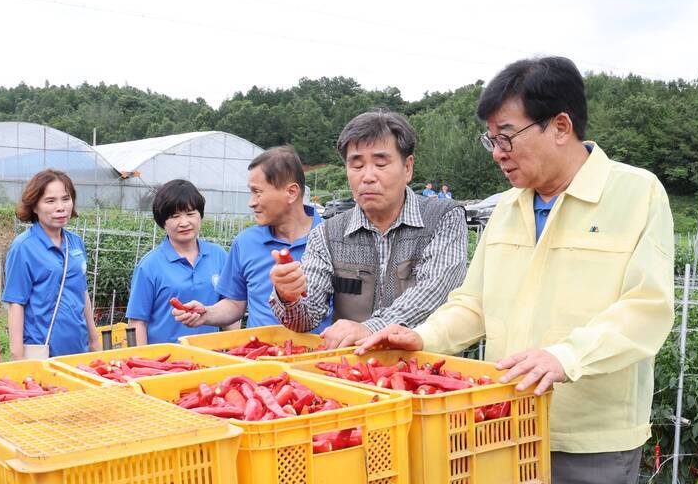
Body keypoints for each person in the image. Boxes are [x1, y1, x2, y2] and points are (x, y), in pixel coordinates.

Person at [356, 57, 674, 484]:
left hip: (586, 439)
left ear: (560, 127)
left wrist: (566, 356)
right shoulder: (506, 208)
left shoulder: (636, 194)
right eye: (491, 140)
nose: (498, 153)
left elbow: (648, 306)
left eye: (507, 137)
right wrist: (424, 337)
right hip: (504, 426)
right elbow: (472, 303)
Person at [269, 110, 468, 348]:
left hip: (426, 371)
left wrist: (370, 328)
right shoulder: (328, 233)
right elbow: (306, 317)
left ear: (408, 167)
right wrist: (289, 296)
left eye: (381, 163)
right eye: (357, 165)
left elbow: (433, 294)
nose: (368, 176)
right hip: (351, 373)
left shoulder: (444, 217)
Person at [172, 145, 329, 333]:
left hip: (319, 358)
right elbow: (235, 303)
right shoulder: (246, 243)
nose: (251, 202)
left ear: (291, 192)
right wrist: (206, 314)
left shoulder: (332, 238)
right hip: (261, 357)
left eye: (258, 192)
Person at [3, 168, 99, 358]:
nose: (61, 207)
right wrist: (18, 357)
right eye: (50, 201)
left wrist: (94, 341)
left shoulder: (75, 243)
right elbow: (16, 304)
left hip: (78, 348)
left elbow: (82, 292)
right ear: (34, 206)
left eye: (66, 198)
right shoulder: (24, 247)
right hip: (42, 350)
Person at [126, 179, 236, 344]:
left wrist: (235, 350)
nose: (184, 223)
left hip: (212, 359)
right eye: (175, 216)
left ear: (200, 216)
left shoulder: (218, 255)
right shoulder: (150, 265)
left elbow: (231, 308)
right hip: (166, 363)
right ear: (163, 222)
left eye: (191, 214)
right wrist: (142, 361)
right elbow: (137, 322)